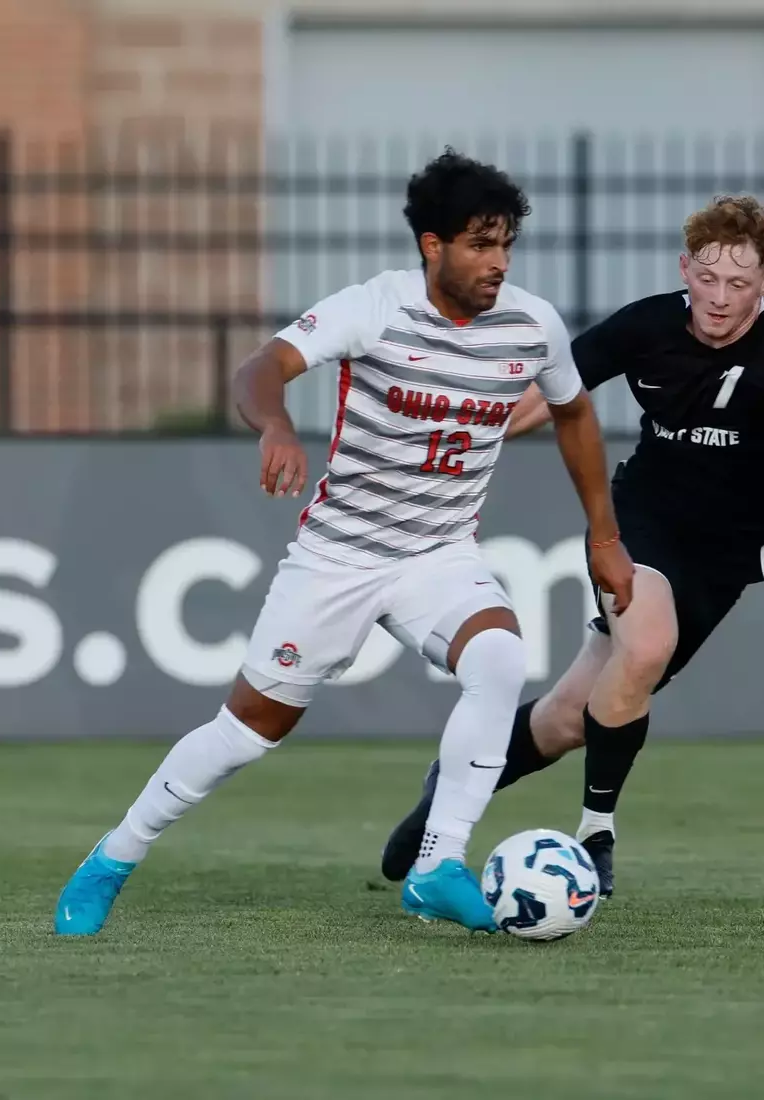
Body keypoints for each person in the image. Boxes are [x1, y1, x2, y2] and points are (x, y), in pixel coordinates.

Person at [53, 150, 634, 936]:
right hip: (339, 558)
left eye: (505, 246)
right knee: (245, 733)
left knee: (498, 658)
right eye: (479, 245)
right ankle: (112, 858)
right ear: (433, 246)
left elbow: (572, 414)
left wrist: (604, 533)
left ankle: (437, 866)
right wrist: (277, 424)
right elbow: (262, 368)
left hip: (439, 554)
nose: (497, 263)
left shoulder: (532, 325)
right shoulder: (375, 309)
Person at [379, 194, 764, 898]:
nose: (720, 299)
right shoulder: (647, 325)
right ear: (685, 268)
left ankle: (449, 790)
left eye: (739, 284)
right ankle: (596, 833)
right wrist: (457, 452)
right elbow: (547, 397)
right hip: (638, 520)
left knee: (570, 719)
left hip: (727, 558)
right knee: (646, 645)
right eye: (707, 279)